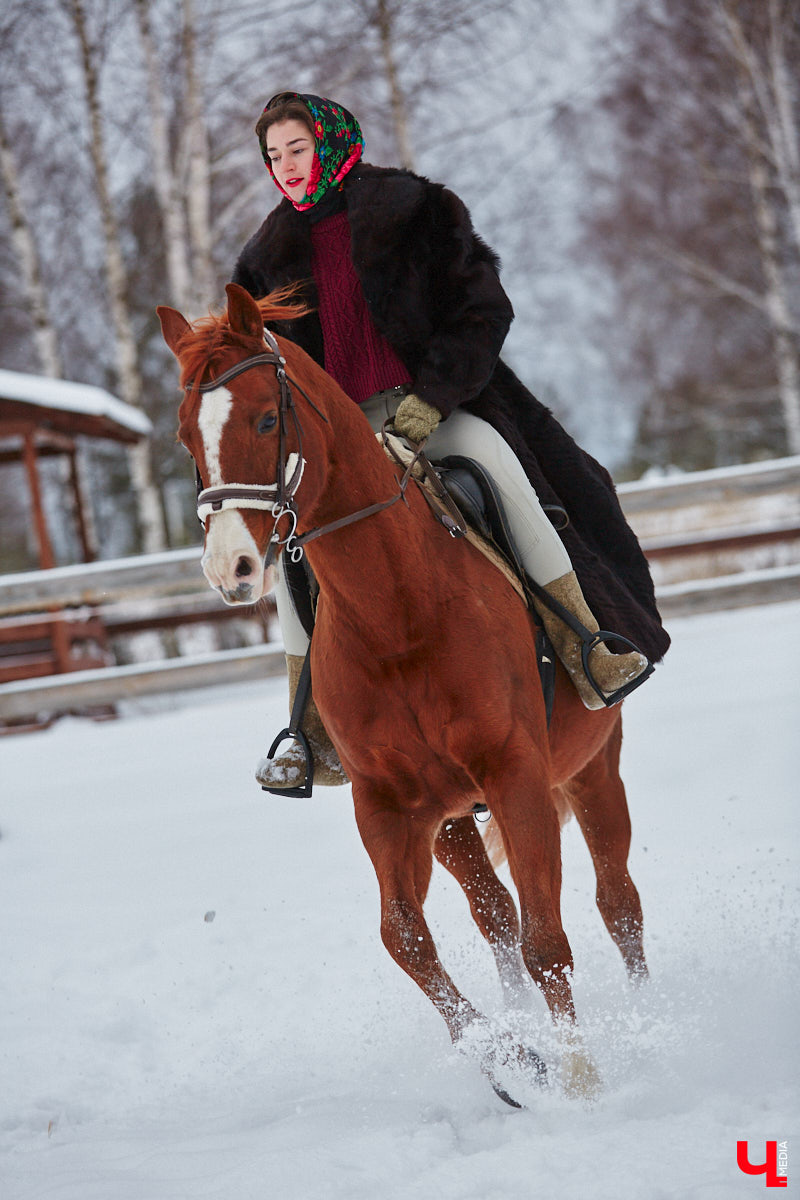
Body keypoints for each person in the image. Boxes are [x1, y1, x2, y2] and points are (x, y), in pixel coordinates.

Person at [232, 91, 669, 791]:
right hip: (340, 438)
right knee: (295, 545)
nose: (285, 166)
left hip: (438, 404)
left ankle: (587, 643)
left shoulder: (418, 210)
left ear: (333, 144)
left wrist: (428, 402)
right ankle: (307, 727)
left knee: (497, 470)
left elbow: (482, 310)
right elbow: (264, 368)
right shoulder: (264, 256)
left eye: (297, 149)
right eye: (273, 155)